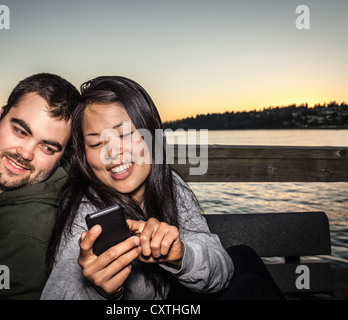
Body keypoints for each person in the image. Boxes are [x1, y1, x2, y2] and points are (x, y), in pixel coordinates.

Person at [41, 76, 284, 300]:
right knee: (248, 288)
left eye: (125, 134)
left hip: (170, 294)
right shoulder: (87, 225)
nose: (112, 152)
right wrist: (101, 293)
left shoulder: (170, 184)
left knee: (244, 256)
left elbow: (220, 273)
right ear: (84, 155)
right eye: (96, 143)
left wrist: (181, 256)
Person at [0, 73, 80, 299]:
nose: (25, 153)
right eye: (20, 131)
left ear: (62, 157)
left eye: (48, 148)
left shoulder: (27, 236)